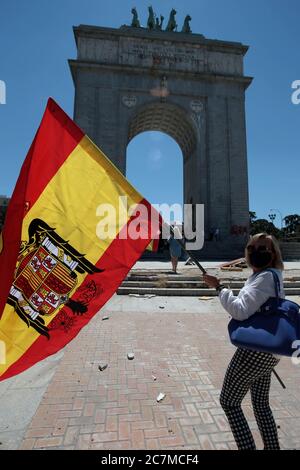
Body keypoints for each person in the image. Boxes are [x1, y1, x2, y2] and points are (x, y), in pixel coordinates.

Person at [203, 233, 284, 450]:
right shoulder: (272, 275)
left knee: (229, 402)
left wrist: (219, 288)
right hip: (270, 351)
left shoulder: (265, 278)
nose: (256, 252)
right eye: (252, 248)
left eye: (263, 249)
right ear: (246, 252)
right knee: (260, 404)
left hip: (254, 352)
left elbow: (240, 311)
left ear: (273, 253)